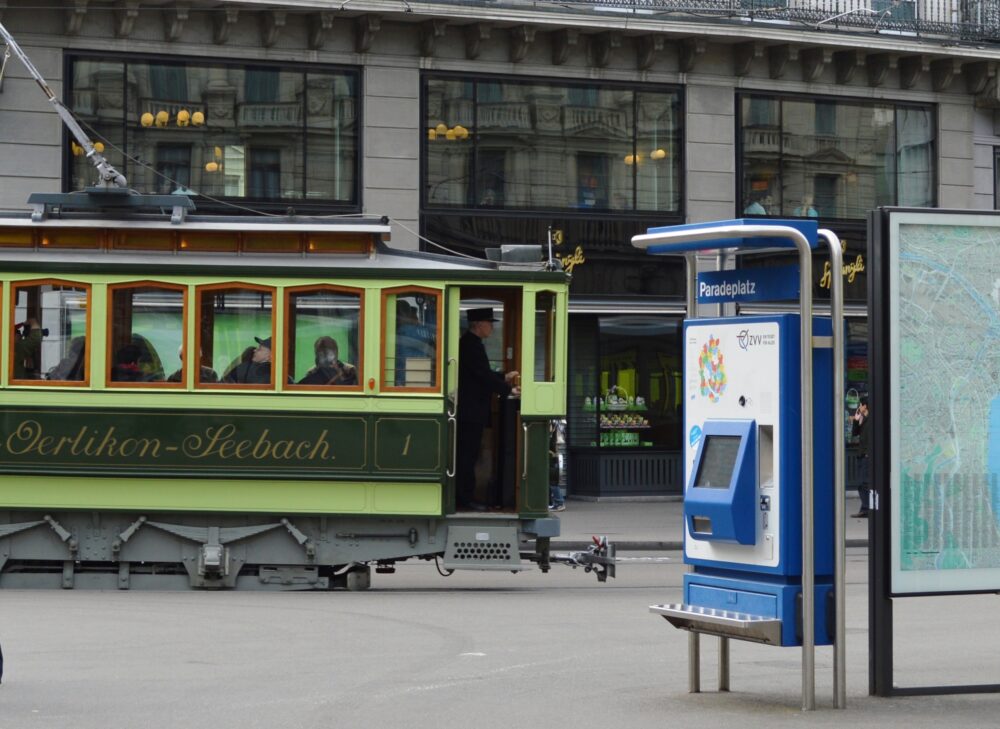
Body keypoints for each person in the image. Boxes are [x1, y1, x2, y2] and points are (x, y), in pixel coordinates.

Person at [456, 307, 519, 511]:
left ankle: (465, 496)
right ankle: (464, 499)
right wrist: (508, 389)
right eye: (489, 323)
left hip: (471, 411)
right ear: (479, 324)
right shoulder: (470, 345)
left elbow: (482, 373)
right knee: (467, 456)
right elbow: (482, 376)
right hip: (470, 412)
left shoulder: (471, 344)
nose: (492, 327)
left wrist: (503, 377)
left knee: (469, 455)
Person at [851, 398, 871, 518]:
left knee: (864, 483)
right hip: (861, 454)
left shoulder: (872, 420)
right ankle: (865, 508)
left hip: (866, 456)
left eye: (860, 405)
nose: (859, 407)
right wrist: (856, 420)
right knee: (861, 484)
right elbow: (855, 433)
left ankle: (866, 509)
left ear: (865, 406)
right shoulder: (863, 419)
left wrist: (868, 453)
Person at [549, 419, 566, 512]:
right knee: (552, 482)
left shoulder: (555, 434)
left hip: (553, 460)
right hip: (554, 459)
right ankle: (556, 503)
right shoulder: (555, 432)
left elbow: (555, 447)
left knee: (553, 483)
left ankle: (559, 503)